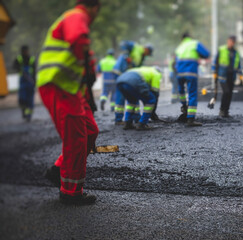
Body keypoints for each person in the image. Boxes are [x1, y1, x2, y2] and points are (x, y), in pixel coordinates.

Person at [37, 0, 101, 205]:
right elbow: (78, 41)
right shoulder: (77, 16)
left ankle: (58, 170)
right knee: (76, 138)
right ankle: (70, 192)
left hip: (72, 89)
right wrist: (88, 68)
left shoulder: (76, 19)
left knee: (90, 131)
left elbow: (81, 53)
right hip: (57, 85)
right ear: (94, 7)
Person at [175, 32, 210, 126]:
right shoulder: (194, 43)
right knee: (192, 94)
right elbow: (206, 54)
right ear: (190, 37)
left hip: (179, 73)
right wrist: (200, 56)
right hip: (190, 72)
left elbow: (175, 61)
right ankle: (190, 119)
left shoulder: (180, 47)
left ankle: (184, 107)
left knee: (181, 91)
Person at [115, 66, 162, 130]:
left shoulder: (144, 69)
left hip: (120, 81)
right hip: (134, 80)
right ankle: (142, 124)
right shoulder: (156, 73)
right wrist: (152, 110)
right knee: (151, 100)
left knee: (132, 101)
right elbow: (155, 90)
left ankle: (128, 123)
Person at [213, 36, 243, 118]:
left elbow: (239, 65)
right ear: (228, 41)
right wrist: (214, 72)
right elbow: (215, 61)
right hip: (223, 75)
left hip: (232, 75)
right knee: (226, 92)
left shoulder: (236, 53)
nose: (231, 43)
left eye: (233, 42)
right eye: (230, 41)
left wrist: (241, 75)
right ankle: (222, 110)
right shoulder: (222, 50)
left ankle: (226, 111)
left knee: (229, 93)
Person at [13, 45, 36, 122]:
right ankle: (24, 113)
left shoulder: (32, 59)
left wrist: (34, 81)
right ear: (22, 51)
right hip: (22, 83)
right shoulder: (19, 59)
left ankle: (28, 116)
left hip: (30, 82)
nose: (26, 52)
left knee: (30, 100)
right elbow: (14, 66)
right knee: (22, 99)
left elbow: (35, 71)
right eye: (25, 51)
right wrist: (18, 68)